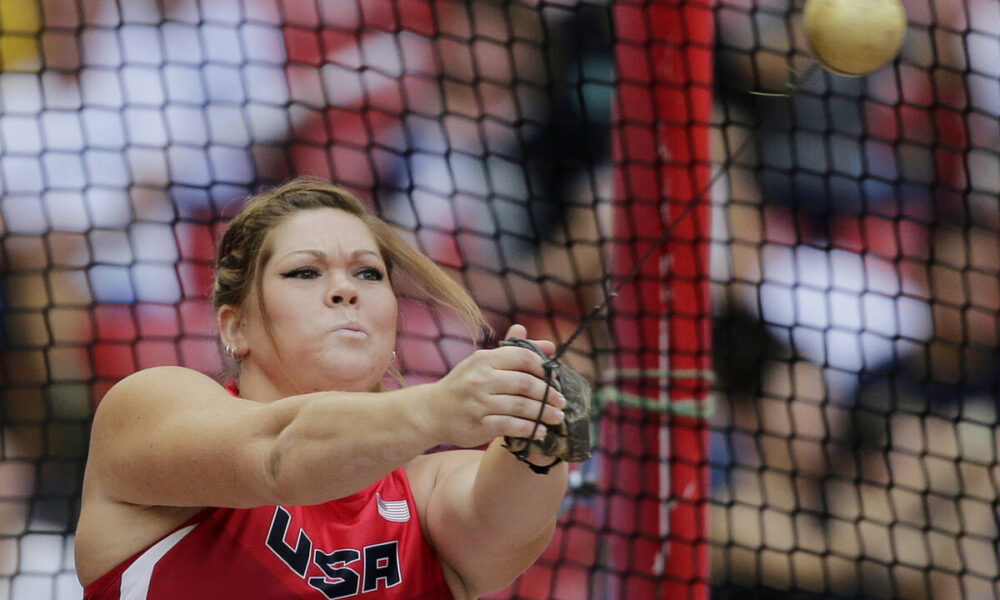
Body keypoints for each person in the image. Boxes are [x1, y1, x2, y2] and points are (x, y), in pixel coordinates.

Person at [73, 177, 571, 599]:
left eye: (368, 273)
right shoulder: (149, 405)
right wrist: (441, 406)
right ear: (234, 327)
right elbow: (278, 454)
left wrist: (539, 423)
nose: (346, 289)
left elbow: (507, 527)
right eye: (305, 272)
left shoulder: (427, 492)